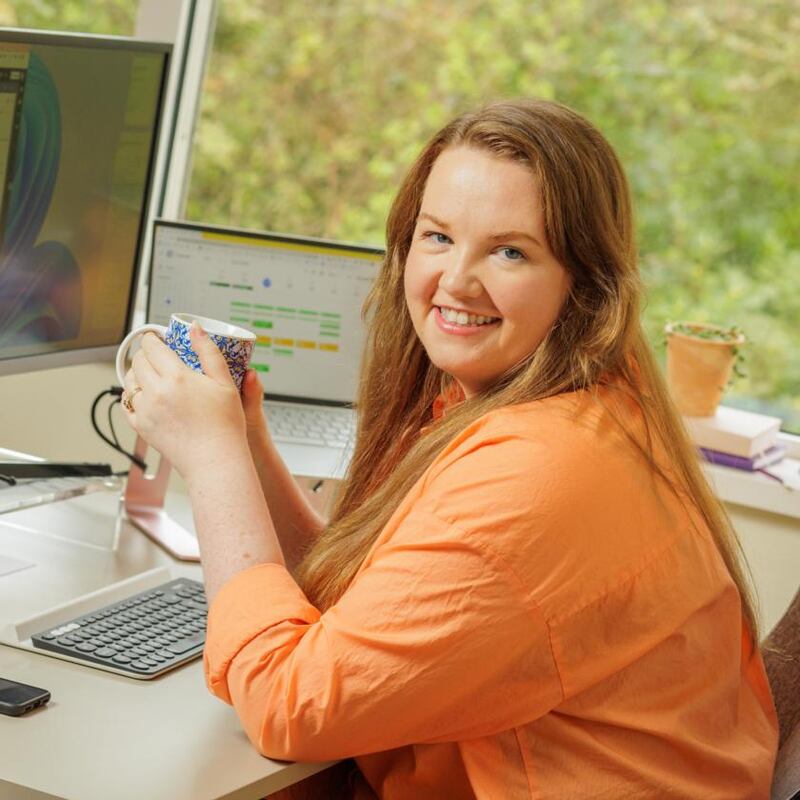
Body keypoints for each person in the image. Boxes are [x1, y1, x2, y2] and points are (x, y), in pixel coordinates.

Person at [121, 99, 778, 798]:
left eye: (510, 251)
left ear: (583, 285)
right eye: (437, 238)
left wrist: (213, 457)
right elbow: (363, 614)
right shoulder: (541, 399)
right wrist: (248, 441)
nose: (455, 282)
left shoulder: (544, 471)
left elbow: (291, 707)